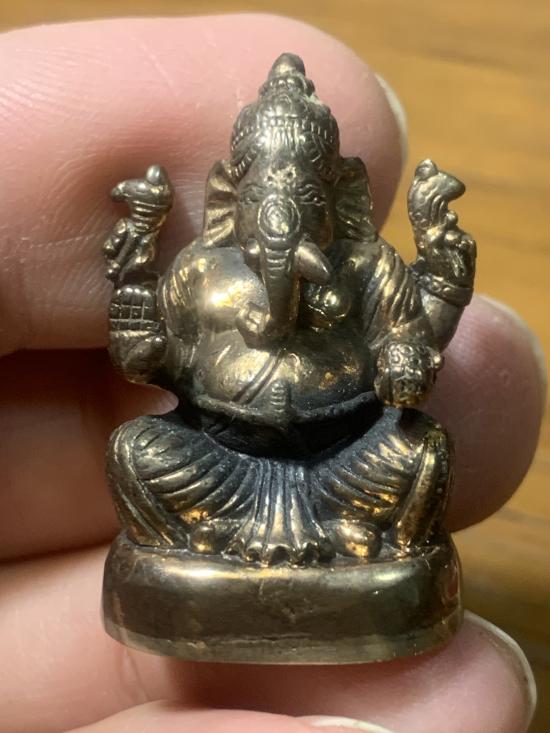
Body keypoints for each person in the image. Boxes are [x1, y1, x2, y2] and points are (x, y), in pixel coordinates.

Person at [0, 14, 543, 733]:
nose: (284, 217)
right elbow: (151, 366)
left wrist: (411, 350)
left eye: (308, 200)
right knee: (135, 452)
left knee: (423, 452)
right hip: (221, 459)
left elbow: (408, 357)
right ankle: (202, 545)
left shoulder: (369, 268)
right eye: (263, 199)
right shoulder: (201, 271)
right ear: (234, 197)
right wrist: (135, 297)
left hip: (344, 461)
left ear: (341, 197)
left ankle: (370, 542)